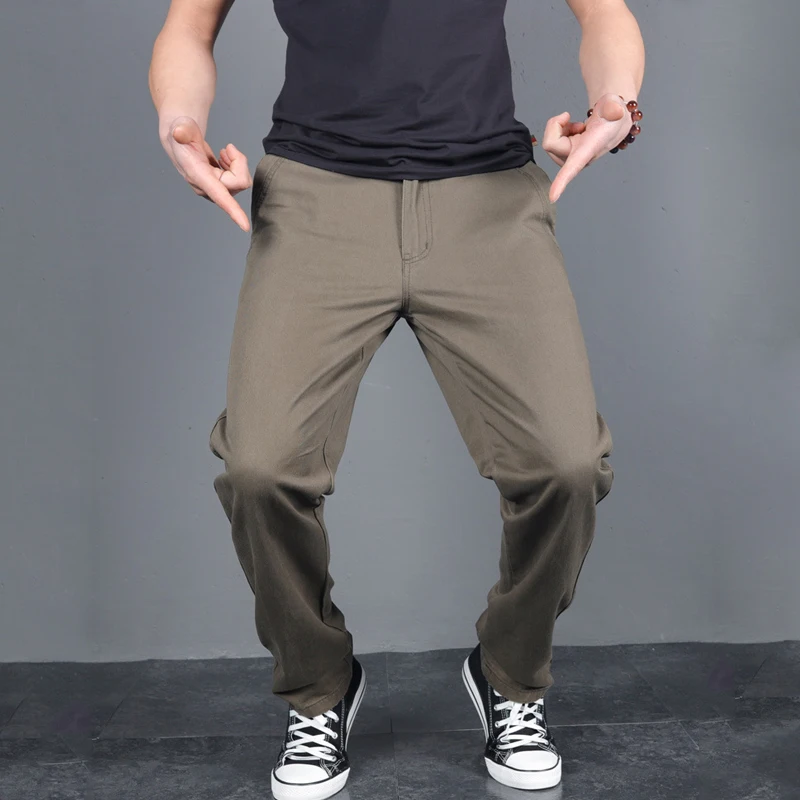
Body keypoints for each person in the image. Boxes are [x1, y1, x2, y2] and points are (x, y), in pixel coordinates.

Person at [148, 0, 644, 796]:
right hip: (316, 196)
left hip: (487, 194)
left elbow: (604, 12)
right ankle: (319, 687)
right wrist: (180, 121)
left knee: (568, 465)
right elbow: (189, 26)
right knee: (259, 470)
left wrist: (615, 101)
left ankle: (511, 674)